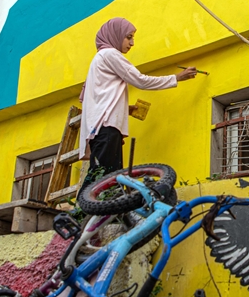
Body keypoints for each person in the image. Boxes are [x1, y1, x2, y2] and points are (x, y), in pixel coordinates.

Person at [79, 18, 198, 179]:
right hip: (106, 128)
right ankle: (86, 198)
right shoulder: (110, 54)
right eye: (128, 37)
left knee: (109, 178)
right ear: (115, 34)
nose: (132, 43)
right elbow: (141, 81)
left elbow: (101, 97)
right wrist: (176, 78)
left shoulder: (100, 59)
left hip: (102, 128)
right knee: (101, 179)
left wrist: (125, 109)